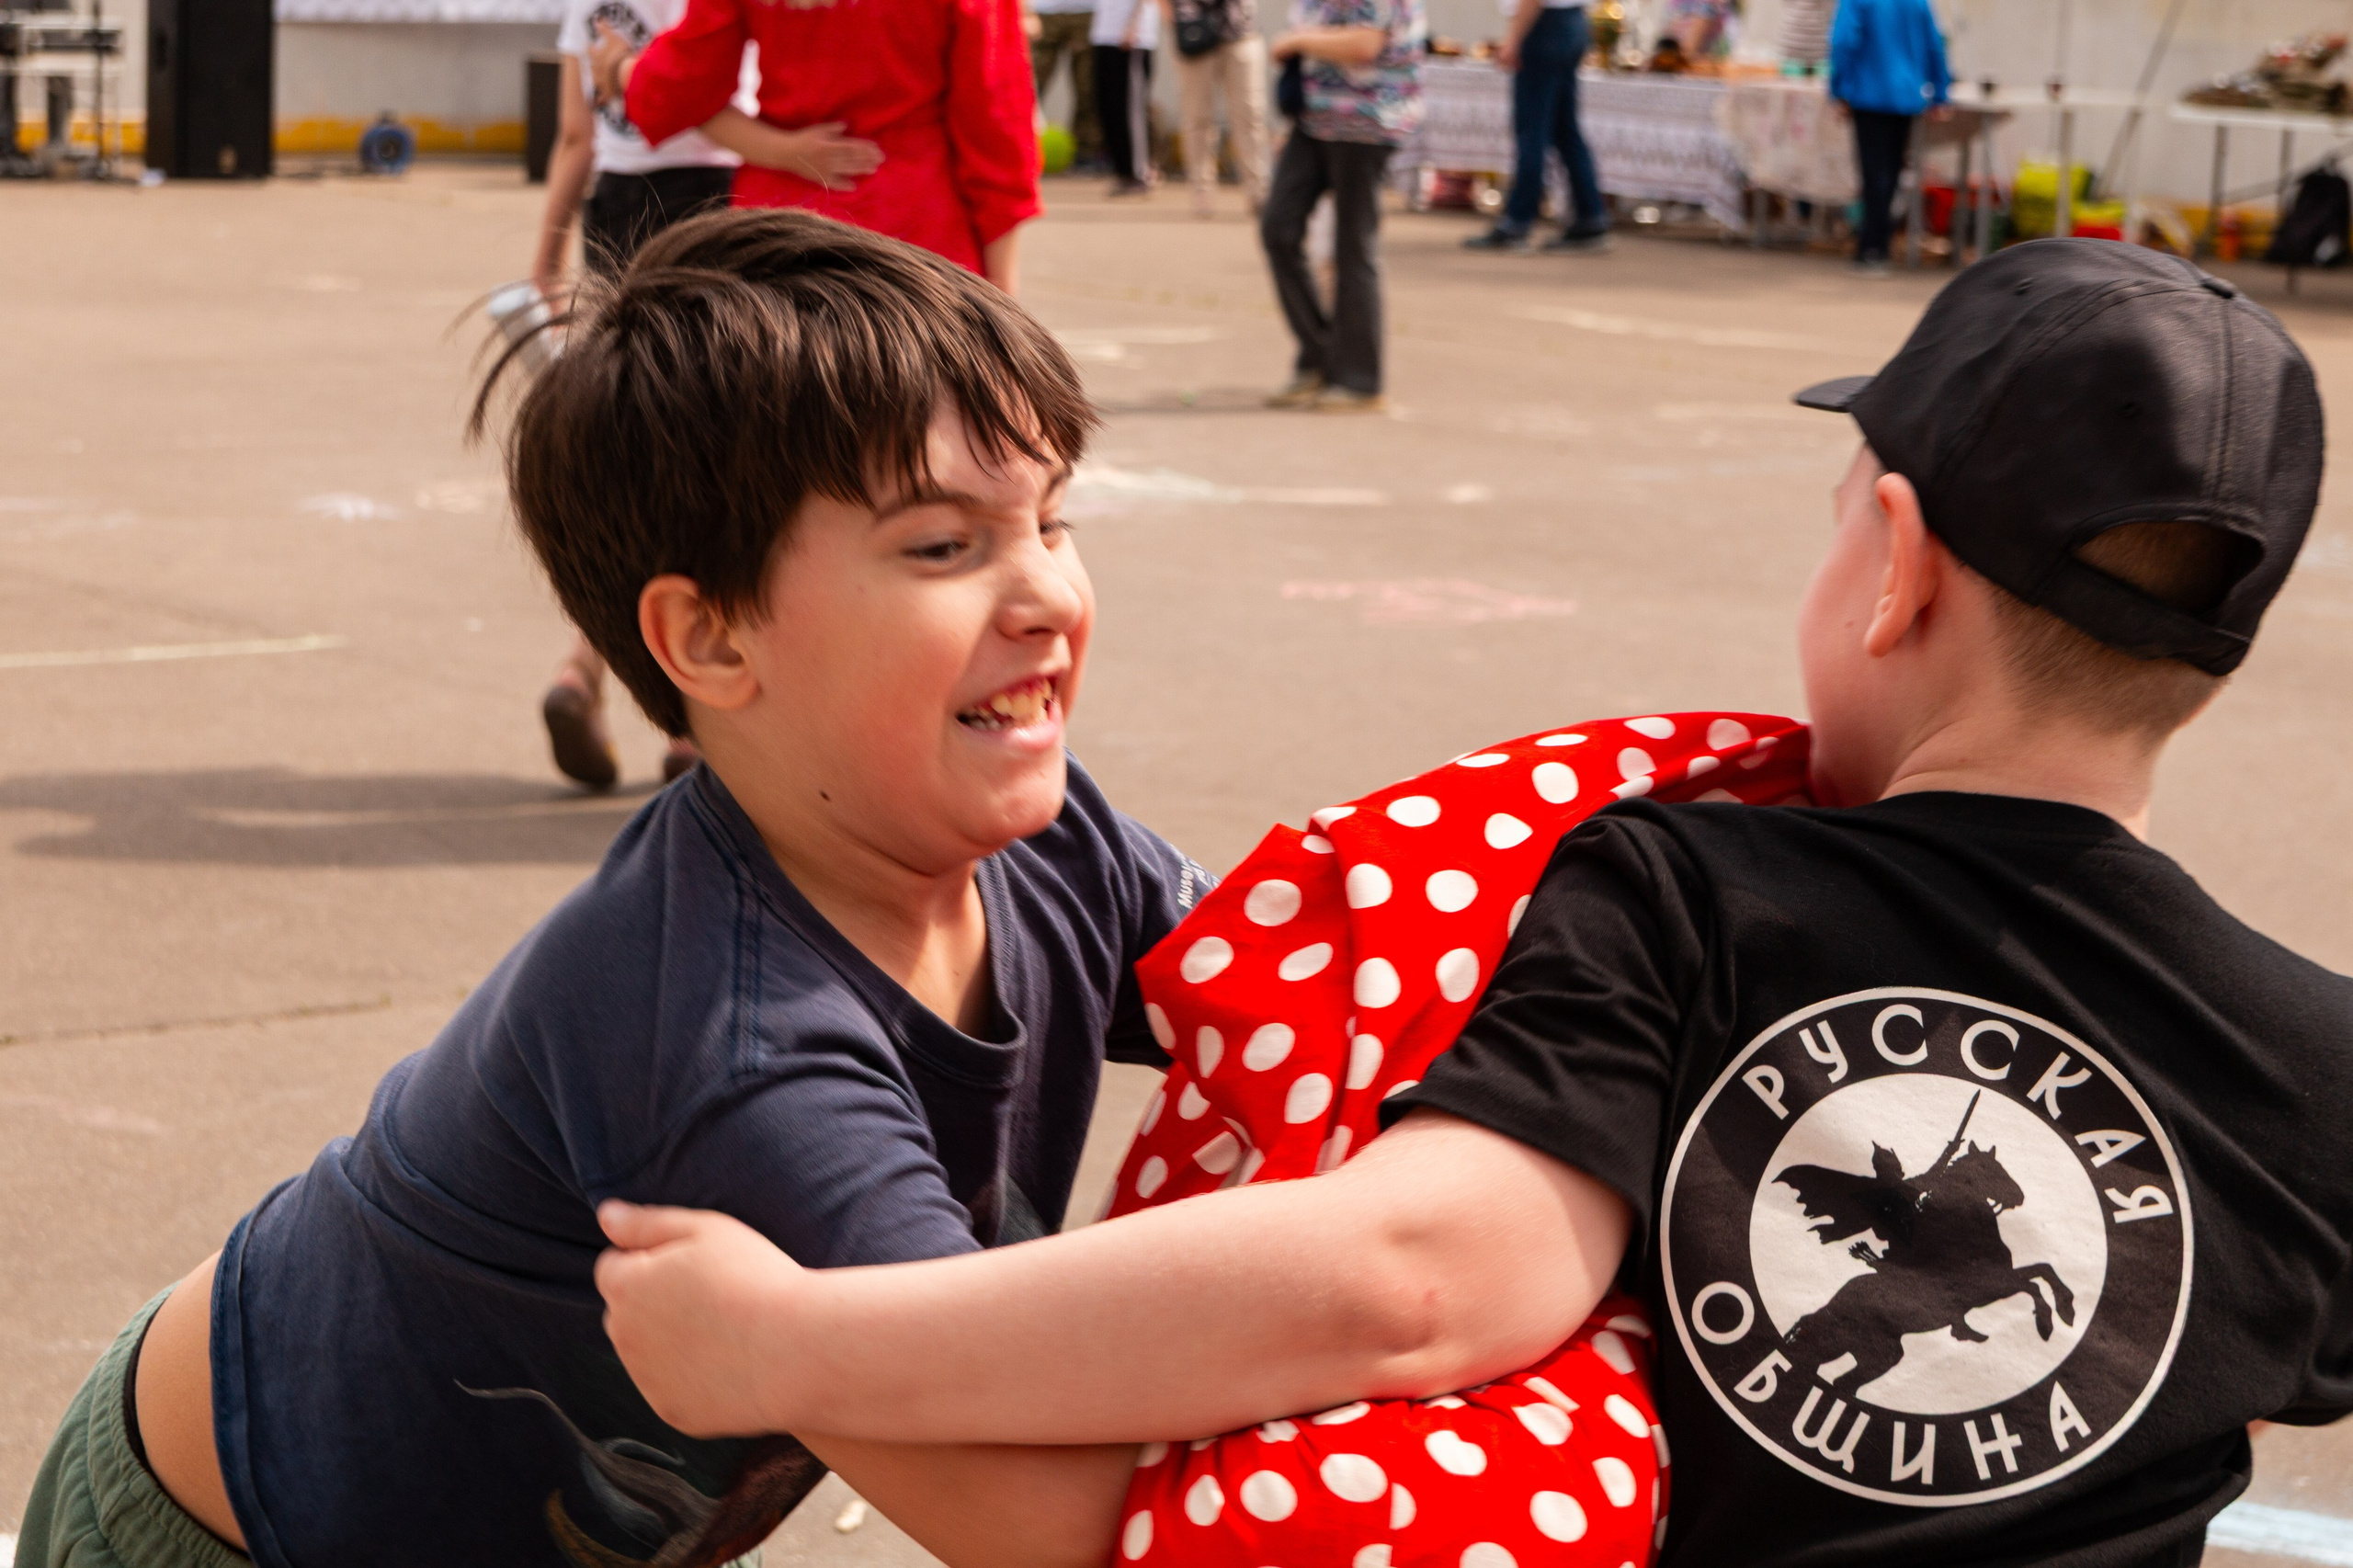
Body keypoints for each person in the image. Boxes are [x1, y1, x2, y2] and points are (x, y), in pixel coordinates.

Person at [594, 240, 2353, 1568]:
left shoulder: (1687, 886)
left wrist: (790, 1338)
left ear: (1893, 566)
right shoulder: (2316, 1060)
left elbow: (1416, 1280)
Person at [8, 211, 1213, 1568]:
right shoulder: (733, 1050)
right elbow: (1051, 1518)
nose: (1045, 589)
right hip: (233, 1530)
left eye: (1050, 519)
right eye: (944, 546)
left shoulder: (1053, 847)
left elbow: (1360, 975)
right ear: (707, 635)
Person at [533, 0, 881, 790]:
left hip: (616, 209)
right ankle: (696, 718)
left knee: (631, 451)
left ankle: (583, 666)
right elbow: (692, 97)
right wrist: (787, 151)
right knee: (719, 459)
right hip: (712, 200)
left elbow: (576, 136)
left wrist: (546, 255)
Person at [593, 0, 1041, 293]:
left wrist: (623, 71)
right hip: (919, 228)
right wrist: (1002, 286)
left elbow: (679, 87)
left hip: (781, 231)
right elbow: (997, 124)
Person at [1261, 0, 1427, 414]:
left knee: (1353, 247)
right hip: (1313, 121)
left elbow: (1364, 45)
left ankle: (1358, 379)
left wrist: (1298, 40)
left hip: (1366, 122)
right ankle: (1319, 355)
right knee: (1278, 228)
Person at [1461, 0, 1610, 254]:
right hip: (1572, 22)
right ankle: (1590, 216)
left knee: (1532, 130)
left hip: (1545, 26)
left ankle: (1517, 222)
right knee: (1565, 131)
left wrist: (1513, 40)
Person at [1828, 0, 1948, 275]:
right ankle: (1880, 243)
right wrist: (1940, 91)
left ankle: (1871, 247)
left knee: (1873, 175)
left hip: (1868, 97)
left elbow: (1843, 41)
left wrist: (1838, 89)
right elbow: (1934, 44)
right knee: (1891, 173)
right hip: (1906, 96)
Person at [1162, 0, 1270, 217]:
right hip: (1192, 31)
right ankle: (1202, 192)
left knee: (1250, 116)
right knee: (1197, 118)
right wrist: (1173, 19)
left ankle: (1259, 192)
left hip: (1241, 31)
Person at [1093, 0, 1162, 197]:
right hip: (1104, 33)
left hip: (1133, 37)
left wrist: (1134, 24)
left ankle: (1139, 173)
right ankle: (1123, 172)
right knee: (1109, 106)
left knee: (1131, 109)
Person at [1030, 0, 1108, 173]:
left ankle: (1087, 152)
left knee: (1087, 87)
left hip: (1087, 12)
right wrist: (1026, 11)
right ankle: (1019, 147)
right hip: (1043, 11)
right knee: (1029, 83)